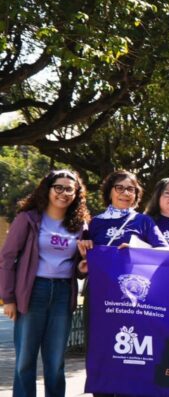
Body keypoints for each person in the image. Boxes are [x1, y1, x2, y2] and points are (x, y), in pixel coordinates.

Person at [1, 169, 90, 397]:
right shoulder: (28, 218)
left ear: (77, 193)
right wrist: (8, 298)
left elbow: (79, 266)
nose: (64, 193)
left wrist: (82, 269)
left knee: (55, 361)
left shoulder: (80, 225)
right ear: (47, 189)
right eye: (58, 187)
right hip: (34, 291)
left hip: (62, 293)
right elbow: (7, 258)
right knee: (25, 361)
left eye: (70, 189)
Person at [84, 170, 169, 250]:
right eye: (119, 188)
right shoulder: (95, 222)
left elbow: (165, 250)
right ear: (109, 192)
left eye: (130, 189)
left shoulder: (144, 221)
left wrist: (137, 250)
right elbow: (88, 255)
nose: (126, 193)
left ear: (135, 194)